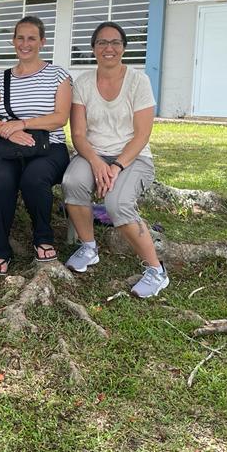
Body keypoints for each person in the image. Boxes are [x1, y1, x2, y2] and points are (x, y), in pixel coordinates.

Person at [62, 20, 168, 298]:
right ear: (94, 49)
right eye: (102, 43)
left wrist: (117, 166)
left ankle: (156, 271)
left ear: (123, 48)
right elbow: (79, 134)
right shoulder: (83, 82)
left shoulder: (138, 81)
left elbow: (143, 134)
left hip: (133, 157)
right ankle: (88, 247)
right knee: (72, 182)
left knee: (117, 203)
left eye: (115, 43)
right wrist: (98, 163)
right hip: (93, 154)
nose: (108, 48)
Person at [0, 16, 72, 275]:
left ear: (42, 42)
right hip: (10, 147)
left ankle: (43, 238)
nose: (25, 43)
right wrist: (7, 132)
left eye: (32, 38)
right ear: (13, 42)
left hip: (48, 147)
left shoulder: (58, 75)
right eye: (20, 38)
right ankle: (0, 249)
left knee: (34, 179)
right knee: (3, 182)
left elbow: (60, 117)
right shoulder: (2, 79)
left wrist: (22, 124)